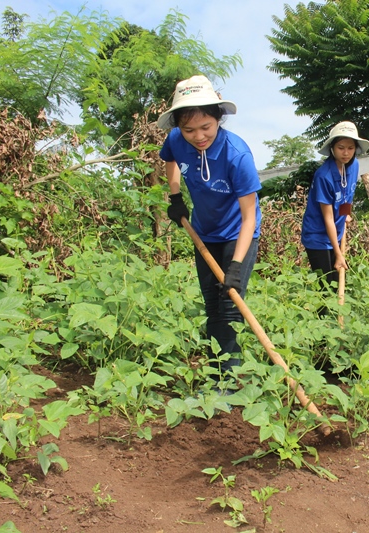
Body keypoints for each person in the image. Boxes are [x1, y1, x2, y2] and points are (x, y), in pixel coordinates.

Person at [158, 75, 262, 384]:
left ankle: (231, 381)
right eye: (189, 129)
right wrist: (175, 195)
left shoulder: (237, 156)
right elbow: (169, 160)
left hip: (237, 234)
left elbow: (249, 218)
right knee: (211, 303)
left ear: (218, 118)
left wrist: (236, 265)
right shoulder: (178, 140)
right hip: (204, 232)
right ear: (179, 127)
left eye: (206, 127)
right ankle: (217, 372)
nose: (198, 136)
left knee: (229, 305)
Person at [301, 121, 369, 290]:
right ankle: (322, 316)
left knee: (337, 281)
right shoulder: (324, 176)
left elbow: (348, 195)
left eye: (350, 148)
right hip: (318, 236)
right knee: (325, 286)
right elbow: (328, 217)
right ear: (332, 148)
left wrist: (345, 214)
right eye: (341, 148)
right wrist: (339, 255)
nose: (346, 153)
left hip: (336, 231)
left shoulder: (353, 166)